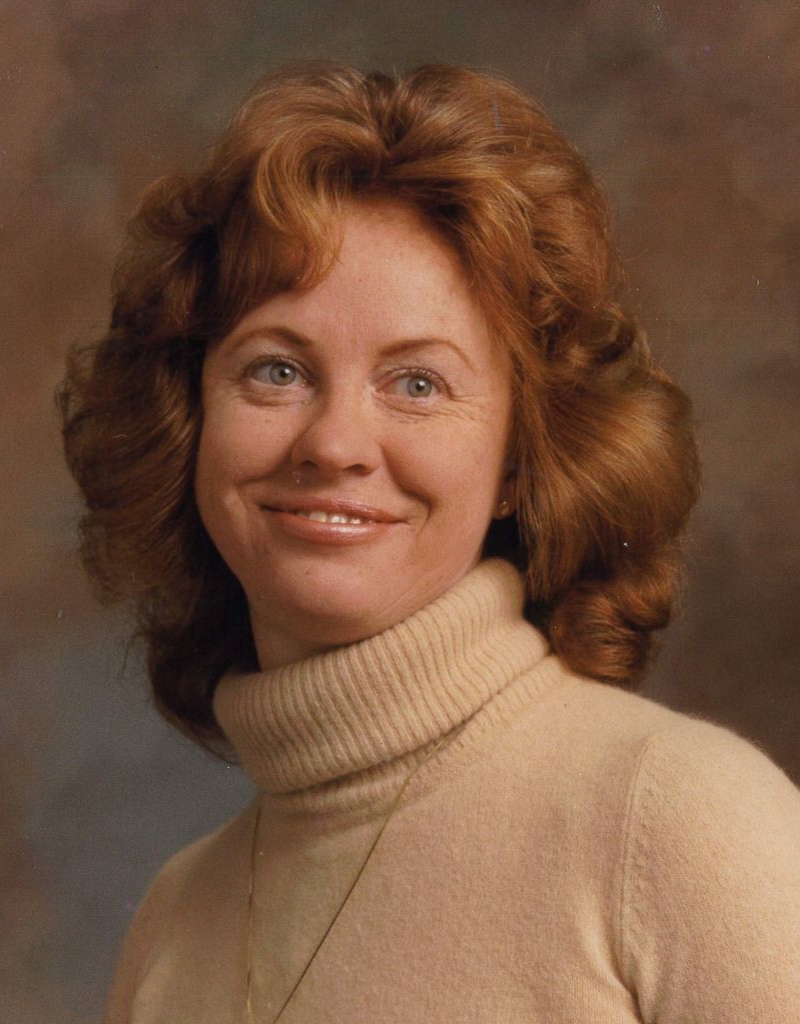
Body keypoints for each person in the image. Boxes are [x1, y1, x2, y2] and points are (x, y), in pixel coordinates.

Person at [59, 62, 800, 1023]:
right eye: (277, 370)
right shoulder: (173, 916)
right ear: (189, 421)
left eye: (417, 384)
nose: (334, 443)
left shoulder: (681, 823)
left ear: (519, 460)